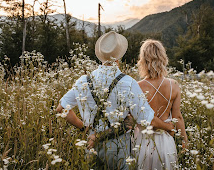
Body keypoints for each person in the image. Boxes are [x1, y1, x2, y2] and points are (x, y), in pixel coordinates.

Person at [56, 31, 174, 169]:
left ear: (100, 55)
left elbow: (61, 108)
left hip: (91, 144)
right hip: (118, 147)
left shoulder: (84, 81)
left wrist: (84, 128)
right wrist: (169, 127)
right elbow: (147, 119)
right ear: (119, 57)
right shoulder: (128, 82)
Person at [133, 39, 188, 170]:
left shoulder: (136, 87)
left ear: (143, 60)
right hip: (166, 143)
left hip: (142, 142)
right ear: (163, 58)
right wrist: (185, 140)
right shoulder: (173, 85)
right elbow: (178, 117)